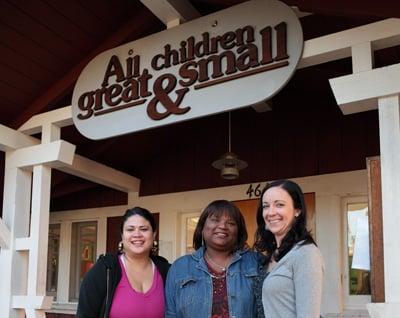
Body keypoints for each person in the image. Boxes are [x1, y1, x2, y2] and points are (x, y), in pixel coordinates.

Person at [165, 199, 261, 318]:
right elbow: (171, 314)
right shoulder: (180, 267)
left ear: (238, 231)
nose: (222, 226)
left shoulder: (255, 262)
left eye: (231, 223)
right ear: (202, 227)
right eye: (215, 220)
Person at [77, 207, 170, 318]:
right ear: (122, 235)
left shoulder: (167, 272)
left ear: (154, 234)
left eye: (144, 229)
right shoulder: (104, 270)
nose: (137, 234)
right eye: (130, 229)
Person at [254, 179, 324, 318]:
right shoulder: (273, 254)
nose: (271, 212)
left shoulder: (306, 254)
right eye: (266, 206)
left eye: (279, 205)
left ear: (297, 210)